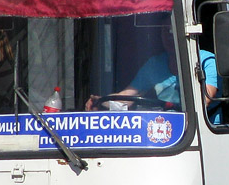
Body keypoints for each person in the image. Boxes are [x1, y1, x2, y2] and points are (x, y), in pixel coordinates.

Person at [86, 24, 220, 119]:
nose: (168, 36)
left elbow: (205, 99)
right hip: (168, 131)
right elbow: (128, 96)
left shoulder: (206, 60)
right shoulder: (155, 64)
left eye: (172, 30)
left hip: (203, 133)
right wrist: (102, 101)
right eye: (164, 30)